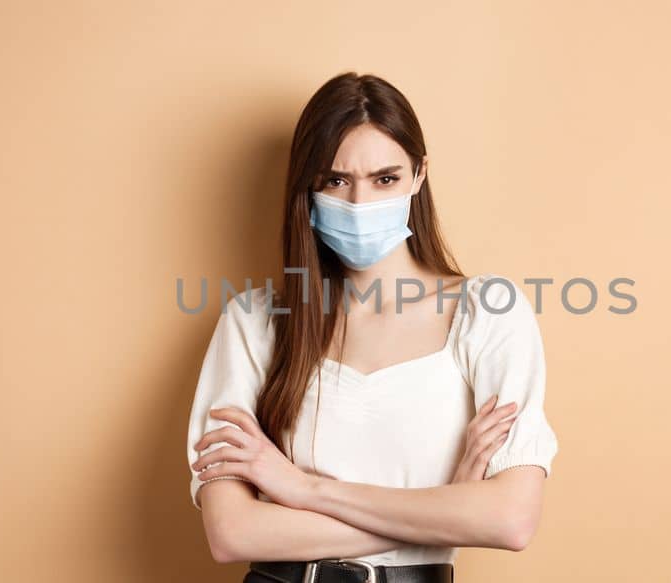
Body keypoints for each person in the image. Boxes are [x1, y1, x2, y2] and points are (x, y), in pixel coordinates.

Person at [185, 71, 558, 583]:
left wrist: (303, 489)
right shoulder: (254, 320)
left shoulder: (488, 310)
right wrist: (443, 513)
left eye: (386, 178)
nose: (360, 204)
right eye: (336, 181)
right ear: (308, 187)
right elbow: (232, 533)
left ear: (419, 175)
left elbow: (511, 520)